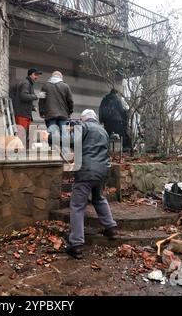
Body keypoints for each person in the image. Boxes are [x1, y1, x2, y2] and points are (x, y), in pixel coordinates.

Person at [66, 109, 118, 260]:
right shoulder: (104, 131)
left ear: (84, 119)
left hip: (87, 171)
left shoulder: (85, 127)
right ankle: (111, 228)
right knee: (98, 198)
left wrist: (49, 137)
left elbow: (70, 140)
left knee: (77, 205)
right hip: (102, 171)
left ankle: (76, 244)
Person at [38, 71, 74, 153]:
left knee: (53, 135)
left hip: (50, 115)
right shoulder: (65, 86)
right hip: (63, 115)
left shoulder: (44, 86)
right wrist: (70, 111)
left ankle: (55, 155)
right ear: (61, 77)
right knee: (64, 135)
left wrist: (41, 112)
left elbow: (41, 100)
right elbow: (70, 101)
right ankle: (66, 154)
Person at [12, 68, 45, 145]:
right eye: (35, 74)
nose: (37, 77)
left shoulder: (28, 83)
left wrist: (33, 107)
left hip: (24, 113)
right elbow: (23, 96)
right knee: (21, 134)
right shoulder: (26, 83)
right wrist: (37, 96)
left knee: (23, 134)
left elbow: (25, 98)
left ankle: (20, 150)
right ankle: (18, 151)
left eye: (38, 75)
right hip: (22, 113)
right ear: (30, 74)